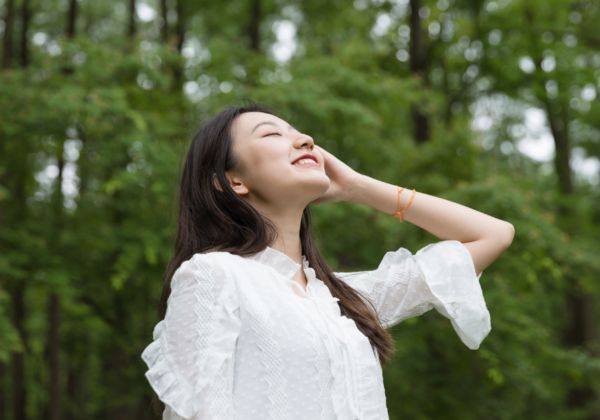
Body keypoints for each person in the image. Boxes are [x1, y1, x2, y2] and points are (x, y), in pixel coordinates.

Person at [140, 103, 515, 420]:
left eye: (299, 133)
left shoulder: (343, 300)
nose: (305, 140)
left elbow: (493, 234)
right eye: (272, 134)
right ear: (232, 181)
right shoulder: (213, 275)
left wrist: (358, 187)